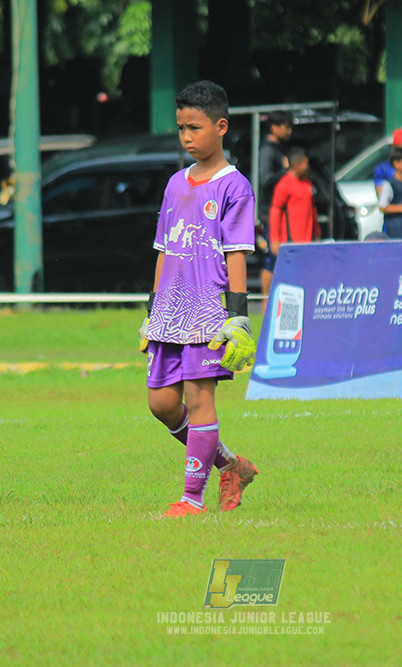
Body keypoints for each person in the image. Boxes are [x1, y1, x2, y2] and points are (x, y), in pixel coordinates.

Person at [137, 80, 259, 518]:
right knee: (162, 404)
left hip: (208, 312)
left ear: (220, 127)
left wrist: (238, 317)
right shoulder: (174, 184)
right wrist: (151, 314)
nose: (186, 137)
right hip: (171, 310)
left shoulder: (234, 187)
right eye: (181, 128)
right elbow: (164, 249)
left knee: (198, 399)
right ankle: (230, 465)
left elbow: (237, 253)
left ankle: (192, 499)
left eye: (195, 127)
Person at [262, 147, 320, 302]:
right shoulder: (285, 184)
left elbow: (312, 209)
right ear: (297, 164)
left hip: (307, 241)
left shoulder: (307, 183)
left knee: (306, 277)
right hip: (291, 240)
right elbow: (275, 211)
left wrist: (317, 233)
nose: (308, 167)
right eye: (306, 163)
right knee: (290, 279)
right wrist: (275, 239)